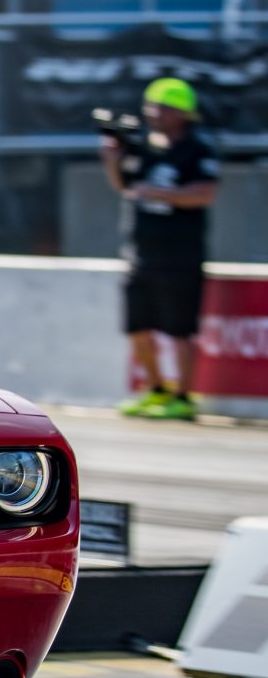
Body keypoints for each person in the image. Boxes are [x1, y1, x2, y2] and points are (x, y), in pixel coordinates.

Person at [102, 76, 219, 420]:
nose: (154, 114)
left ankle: (182, 396)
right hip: (140, 253)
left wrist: (159, 192)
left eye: (162, 108)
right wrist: (111, 159)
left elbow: (205, 193)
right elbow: (124, 186)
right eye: (151, 107)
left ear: (181, 113)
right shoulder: (140, 147)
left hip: (180, 256)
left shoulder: (197, 149)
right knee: (137, 328)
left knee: (179, 331)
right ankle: (155, 390)